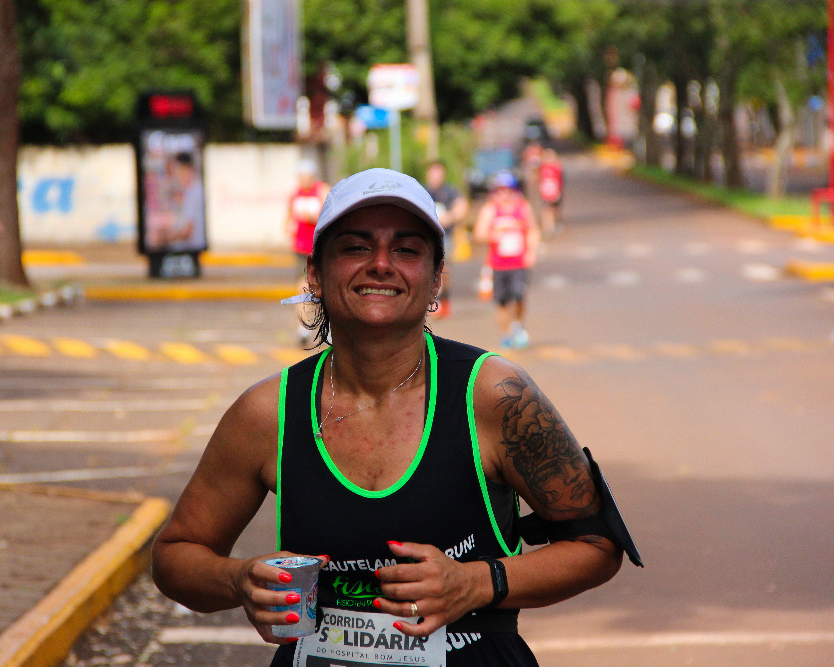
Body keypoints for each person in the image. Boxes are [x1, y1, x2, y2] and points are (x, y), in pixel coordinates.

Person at [153, 167, 639, 666]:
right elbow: (175, 554)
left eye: (407, 250)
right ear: (315, 274)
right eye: (356, 247)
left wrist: (476, 582)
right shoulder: (268, 413)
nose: (381, 264)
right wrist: (238, 581)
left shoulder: (493, 396)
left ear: (435, 280)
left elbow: (596, 544)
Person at [472, 170, 541, 349]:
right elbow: (479, 234)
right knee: (502, 302)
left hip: (519, 262)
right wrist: (492, 235)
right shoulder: (490, 210)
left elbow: (533, 229)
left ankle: (517, 325)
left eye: (508, 189)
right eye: (500, 190)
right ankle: (506, 334)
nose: (504, 194)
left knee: (519, 295)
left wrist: (531, 252)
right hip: (498, 264)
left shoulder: (523, 207)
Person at [285, 158, 329, 346]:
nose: (303, 179)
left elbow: (329, 213)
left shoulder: (321, 190)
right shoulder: (295, 194)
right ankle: (302, 327)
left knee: (326, 288)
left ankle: (329, 329)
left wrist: (314, 216)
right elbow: (288, 219)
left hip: (320, 246)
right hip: (301, 248)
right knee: (303, 286)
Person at [424, 160, 467, 318]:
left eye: (439, 173)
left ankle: (443, 299)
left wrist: (450, 217)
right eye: (433, 173)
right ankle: (431, 301)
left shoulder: (449, 191)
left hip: (444, 236)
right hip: (427, 236)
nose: (436, 177)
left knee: (444, 268)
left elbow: (462, 207)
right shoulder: (422, 191)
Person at [537, 148, 564, 237]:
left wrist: (559, 191)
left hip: (555, 191)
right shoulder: (541, 167)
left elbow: (560, 180)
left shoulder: (556, 167)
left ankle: (555, 224)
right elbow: (539, 180)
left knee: (555, 209)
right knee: (546, 209)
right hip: (545, 192)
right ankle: (548, 227)